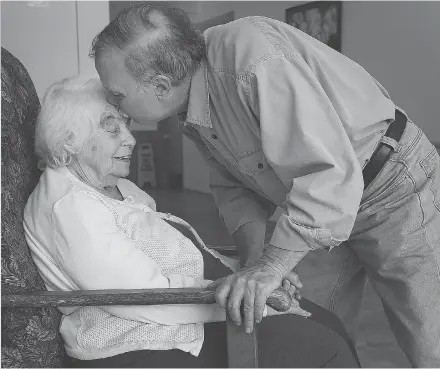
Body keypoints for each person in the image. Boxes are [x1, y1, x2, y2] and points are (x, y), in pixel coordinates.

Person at [91, 2, 440, 367]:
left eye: (117, 95)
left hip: (390, 185)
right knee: (309, 330)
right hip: (315, 209)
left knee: (429, 338)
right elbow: (234, 185)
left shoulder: (252, 57)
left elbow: (327, 173)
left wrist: (272, 267)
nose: (115, 107)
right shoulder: (191, 100)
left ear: (161, 85)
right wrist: (257, 261)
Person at [23, 75, 360, 368]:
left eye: (126, 123)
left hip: (186, 310)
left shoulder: (117, 187)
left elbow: (182, 258)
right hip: (139, 343)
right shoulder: (69, 206)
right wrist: (247, 299)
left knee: (330, 325)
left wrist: (254, 276)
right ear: (69, 140)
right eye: (111, 126)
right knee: (324, 351)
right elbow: (139, 298)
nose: (130, 138)